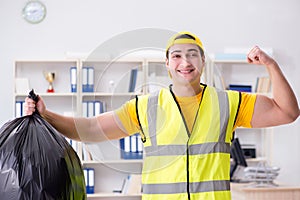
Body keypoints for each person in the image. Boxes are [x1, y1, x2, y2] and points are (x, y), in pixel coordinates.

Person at [25, 31, 299, 200]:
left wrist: (271, 65)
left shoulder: (230, 102)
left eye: (193, 55)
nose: (185, 62)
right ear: (167, 64)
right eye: (177, 56)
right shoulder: (145, 107)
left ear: (203, 62)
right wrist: (47, 115)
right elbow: (92, 129)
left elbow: (287, 112)